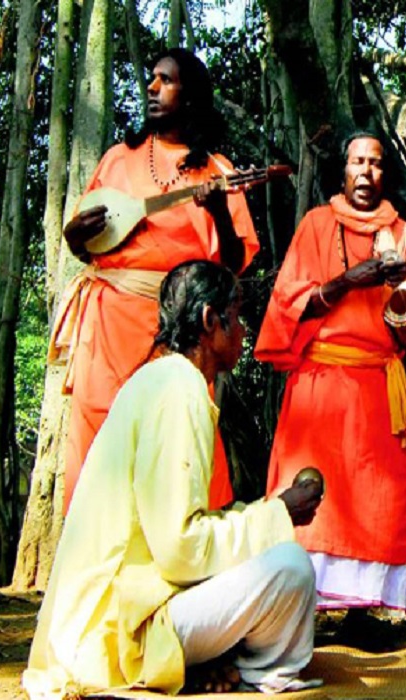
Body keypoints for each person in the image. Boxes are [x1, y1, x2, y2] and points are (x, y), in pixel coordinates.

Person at [23, 261, 324, 699]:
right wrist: (278, 514)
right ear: (209, 320)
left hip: (114, 620)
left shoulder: (159, 380)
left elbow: (173, 535)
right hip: (120, 637)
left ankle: (202, 661)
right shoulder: (179, 390)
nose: (243, 331)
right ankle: (255, 670)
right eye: (236, 316)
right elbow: (181, 549)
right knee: (291, 567)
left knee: (269, 548)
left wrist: (267, 513)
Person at [50, 48, 259, 514]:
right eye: (152, 78)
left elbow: (233, 265)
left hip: (179, 333)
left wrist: (220, 213)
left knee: (177, 435)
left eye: (166, 80)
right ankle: (95, 548)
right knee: (100, 433)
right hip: (109, 324)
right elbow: (89, 244)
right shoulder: (117, 160)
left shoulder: (218, 170)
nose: (152, 86)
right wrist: (74, 236)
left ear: (192, 96)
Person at [255, 131, 406, 617]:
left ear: (386, 173)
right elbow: (287, 304)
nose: (366, 171)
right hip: (320, 386)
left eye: (376, 163)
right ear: (342, 171)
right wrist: (347, 281)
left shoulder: (398, 231)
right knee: (312, 497)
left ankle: (365, 610)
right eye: (357, 161)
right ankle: (300, 604)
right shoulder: (316, 223)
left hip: (381, 388)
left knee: (381, 498)